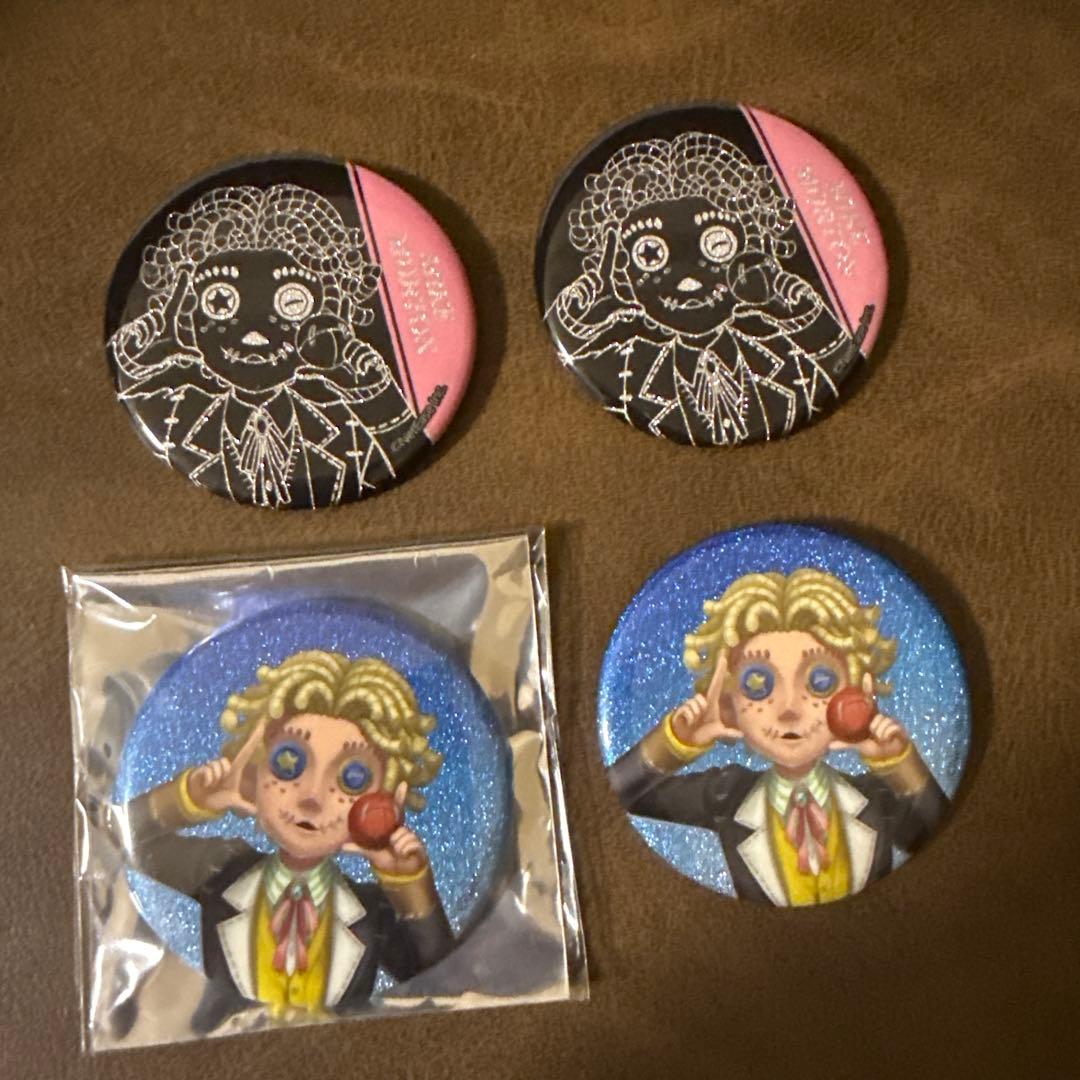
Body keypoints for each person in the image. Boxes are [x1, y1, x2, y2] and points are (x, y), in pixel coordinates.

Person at [122, 650, 453, 1027]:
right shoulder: (220, 870)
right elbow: (126, 844)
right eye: (289, 762)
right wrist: (189, 800)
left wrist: (408, 884)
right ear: (255, 769)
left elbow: (441, 986)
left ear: (384, 797)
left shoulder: (373, 911)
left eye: (352, 778)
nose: (312, 797)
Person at [608, 569, 948, 905]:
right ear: (728, 701)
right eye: (758, 683)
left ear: (857, 690)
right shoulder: (724, 795)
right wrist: (675, 742)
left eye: (820, 681)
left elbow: (949, 845)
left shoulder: (879, 797)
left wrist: (900, 764)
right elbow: (615, 796)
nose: (789, 710)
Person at [548, 132, 871, 444]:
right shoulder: (622, 373)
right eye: (651, 254)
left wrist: (809, 316)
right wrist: (582, 317)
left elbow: (843, 355)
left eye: (717, 244)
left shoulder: (789, 354)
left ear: (754, 249)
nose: (688, 278)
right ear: (621, 272)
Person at [108, 184, 417, 507]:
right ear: (185, 315)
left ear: (329, 312)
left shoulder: (345, 425)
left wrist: (374, 389)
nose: (254, 330)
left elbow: (405, 443)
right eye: (220, 301)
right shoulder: (170, 415)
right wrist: (137, 358)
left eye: (292, 302)